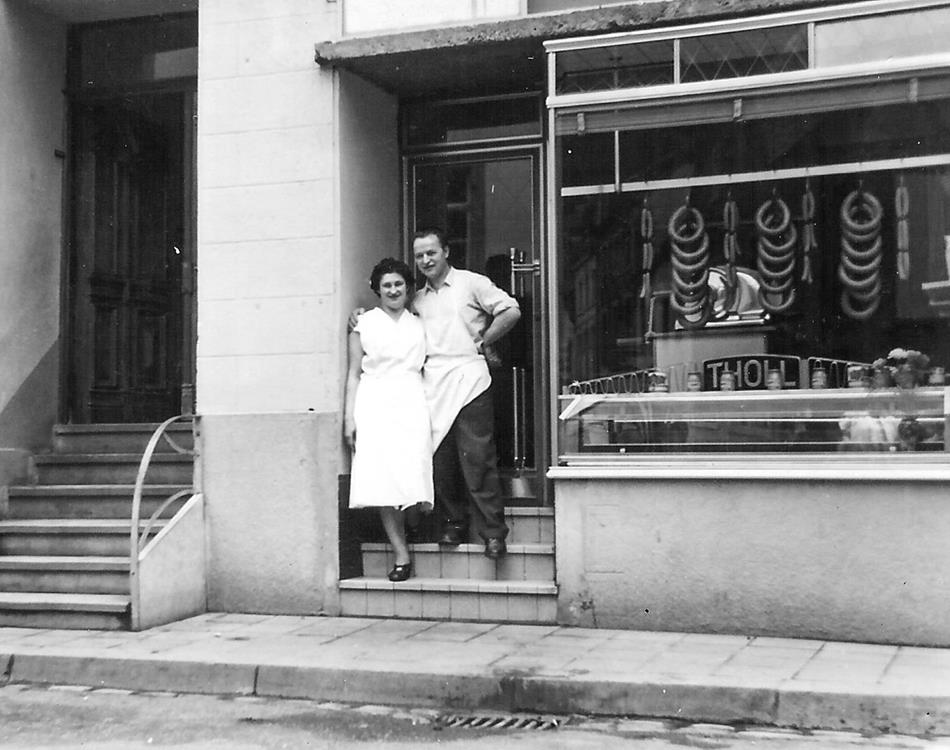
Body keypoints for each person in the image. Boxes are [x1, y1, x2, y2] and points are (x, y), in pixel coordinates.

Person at [411, 228, 521, 560]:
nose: (426, 260)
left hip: (470, 378)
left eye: (431, 252)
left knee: (477, 458)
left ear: (446, 251)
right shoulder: (417, 299)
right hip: (434, 382)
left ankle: (493, 533)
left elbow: (510, 310)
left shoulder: (472, 282)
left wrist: (485, 341)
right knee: (442, 460)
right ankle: (453, 524)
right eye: (419, 256)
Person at [344, 258, 433, 582]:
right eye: (386, 286)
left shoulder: (420, 322)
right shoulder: (363, 324)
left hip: (411, 400)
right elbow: (353, 374)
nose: (393, 290)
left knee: (411, 471)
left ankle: (411, 526)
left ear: (407, 287)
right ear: (377, 290)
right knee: (383, 479)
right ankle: (401, 554)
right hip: (374, 402)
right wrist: (348, 419)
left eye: (398, 284)